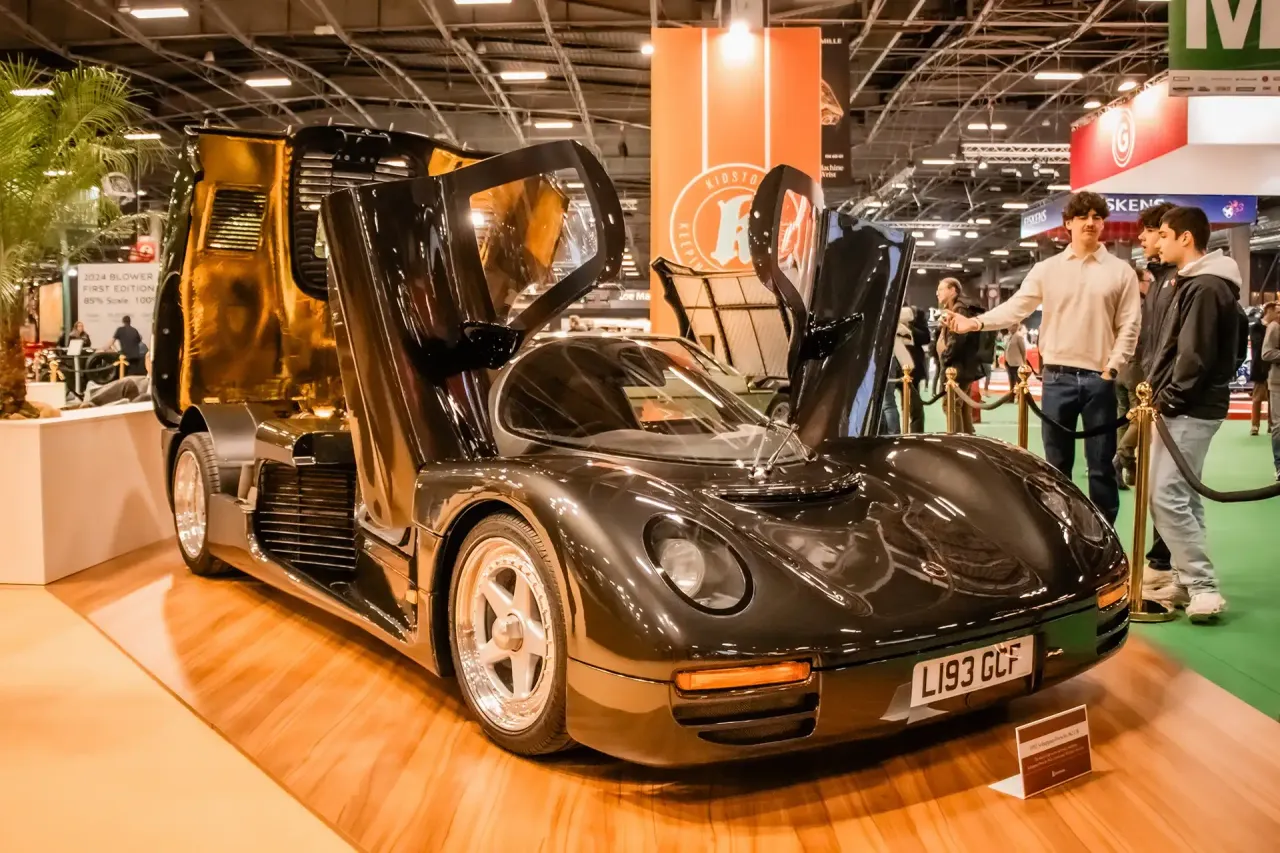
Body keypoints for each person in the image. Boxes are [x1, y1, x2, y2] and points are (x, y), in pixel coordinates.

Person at [943, 192, 1141, 525]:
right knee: (1056, 467)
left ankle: (1105, 536)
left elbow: (1130, 324)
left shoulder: (1121, 272)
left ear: (1103, 223)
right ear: (1068, 223)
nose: (1090, 222)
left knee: (1101, 467)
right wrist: (974, 323)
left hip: (1100, 379)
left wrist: (1113, 367)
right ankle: (1063, 531)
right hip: (1056, 379)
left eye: (1097, 217)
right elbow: (1016, 308)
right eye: (1083, 217)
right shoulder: (1047, 269)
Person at [1144, 206, 1245, 622]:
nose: (1158, 242)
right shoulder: (1197, 283)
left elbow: (1194, 355)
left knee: (1166, 496)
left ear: (1185, 238)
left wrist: (1169, 399)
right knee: (1181, 496)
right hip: (1186, 405)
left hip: (1188, 408)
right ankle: (1188, 582)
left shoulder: (1205, 287)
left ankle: (1202, 586)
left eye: (1165, 235)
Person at [934, 277, 983, 434]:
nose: (937, 293)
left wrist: (945, 357)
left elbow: (958, 340)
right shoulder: (961, 307)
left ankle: (957, 442)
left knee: (951, 406)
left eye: (941, 289)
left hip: (957, 367)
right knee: (961, 407)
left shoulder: (959, 309)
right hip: (964, 365)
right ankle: (967, 441)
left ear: (952, 290)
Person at [1250, 303, 1276, 436]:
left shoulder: (1275, 327)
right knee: (1257, 398)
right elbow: (1259, 346)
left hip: (1273, 368)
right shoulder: (1256, 327)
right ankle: (1255, 425)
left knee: (1273, 399)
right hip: (1260, 368)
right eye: (1277, 312)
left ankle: (1272, 424)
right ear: (1269, 311)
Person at [1262, 304, 1280, 480]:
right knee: (1279, 427)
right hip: (1278, 384)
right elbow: (1266, 353)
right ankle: (1279, 466)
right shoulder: (1275, 327)